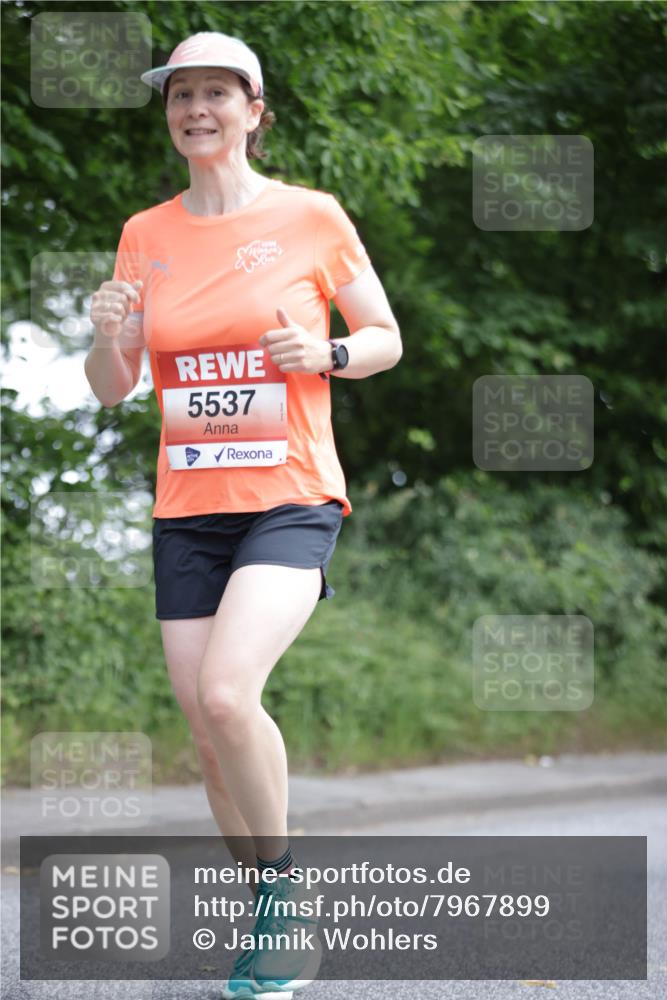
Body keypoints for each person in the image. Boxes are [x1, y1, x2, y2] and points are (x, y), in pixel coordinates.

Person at [84, 31, 402, 1000]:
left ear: (254, 111)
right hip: (188, 510)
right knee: (206, 729)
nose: (197, 110)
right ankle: (271, 906)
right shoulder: (147, 233)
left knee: (228, 692)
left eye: (217, 93)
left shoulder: (310, 217)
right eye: (182, 96)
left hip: (290, 495)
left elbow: (383, 335)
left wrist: (327, 354)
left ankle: (284, 906)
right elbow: (112, 387)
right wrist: (102, 335)